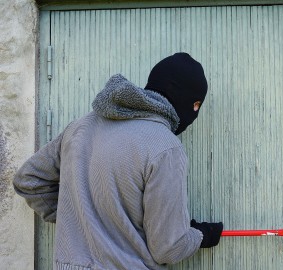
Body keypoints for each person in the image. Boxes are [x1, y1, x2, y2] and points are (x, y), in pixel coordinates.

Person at [13, 52, 223, 270]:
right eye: (196, 104)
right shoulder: (165, 147)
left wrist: (80, 217)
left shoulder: (80, 128)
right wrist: (201, 235)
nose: (194, 112)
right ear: (184, 98)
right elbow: (168, 247)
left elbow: (29, 180)